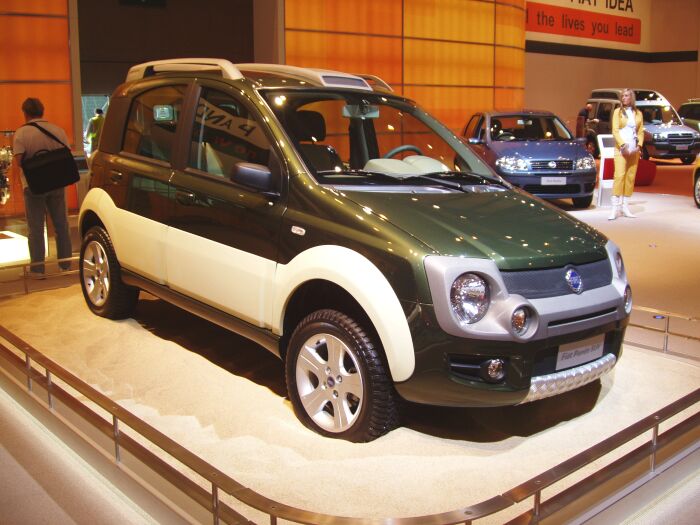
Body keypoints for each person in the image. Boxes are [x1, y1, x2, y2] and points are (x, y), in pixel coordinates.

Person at [12, 98, 73, 277]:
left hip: (34, 186)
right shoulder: (58, 130)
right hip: (57, 183)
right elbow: (66, 154)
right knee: (62, 225)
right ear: (42, 111)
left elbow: (19, 161)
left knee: (36, 227)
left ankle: (38, 269)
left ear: (25, 113)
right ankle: (66, 266)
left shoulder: (22, 133)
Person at [609, 89, 644, 220]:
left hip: (634, 149)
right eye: (622, 96)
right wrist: (623, 145)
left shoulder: (638, 113)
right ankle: (614, 208)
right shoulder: (618, 112)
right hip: (621, 149)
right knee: (619, 175)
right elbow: (615, 130)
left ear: (631, 97)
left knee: (630, 176)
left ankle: (625, 206)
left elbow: (640, 131)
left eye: (626, 95)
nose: (623, 98)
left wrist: (639, 145)